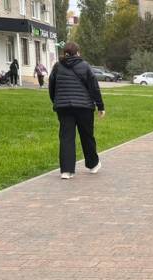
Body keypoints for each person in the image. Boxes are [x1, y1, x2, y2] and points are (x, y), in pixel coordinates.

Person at [48, 42, 104, 180]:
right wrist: (100, 106)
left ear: (65, 53)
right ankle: (93, 165)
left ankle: (66, 171)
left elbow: (51, 86)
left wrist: (56, 101)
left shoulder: (57, 67)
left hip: (64, 107)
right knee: (87, 135)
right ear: (77, 52)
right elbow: (94, 87)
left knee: (66, 137)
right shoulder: (85, 66)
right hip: (84, 107)